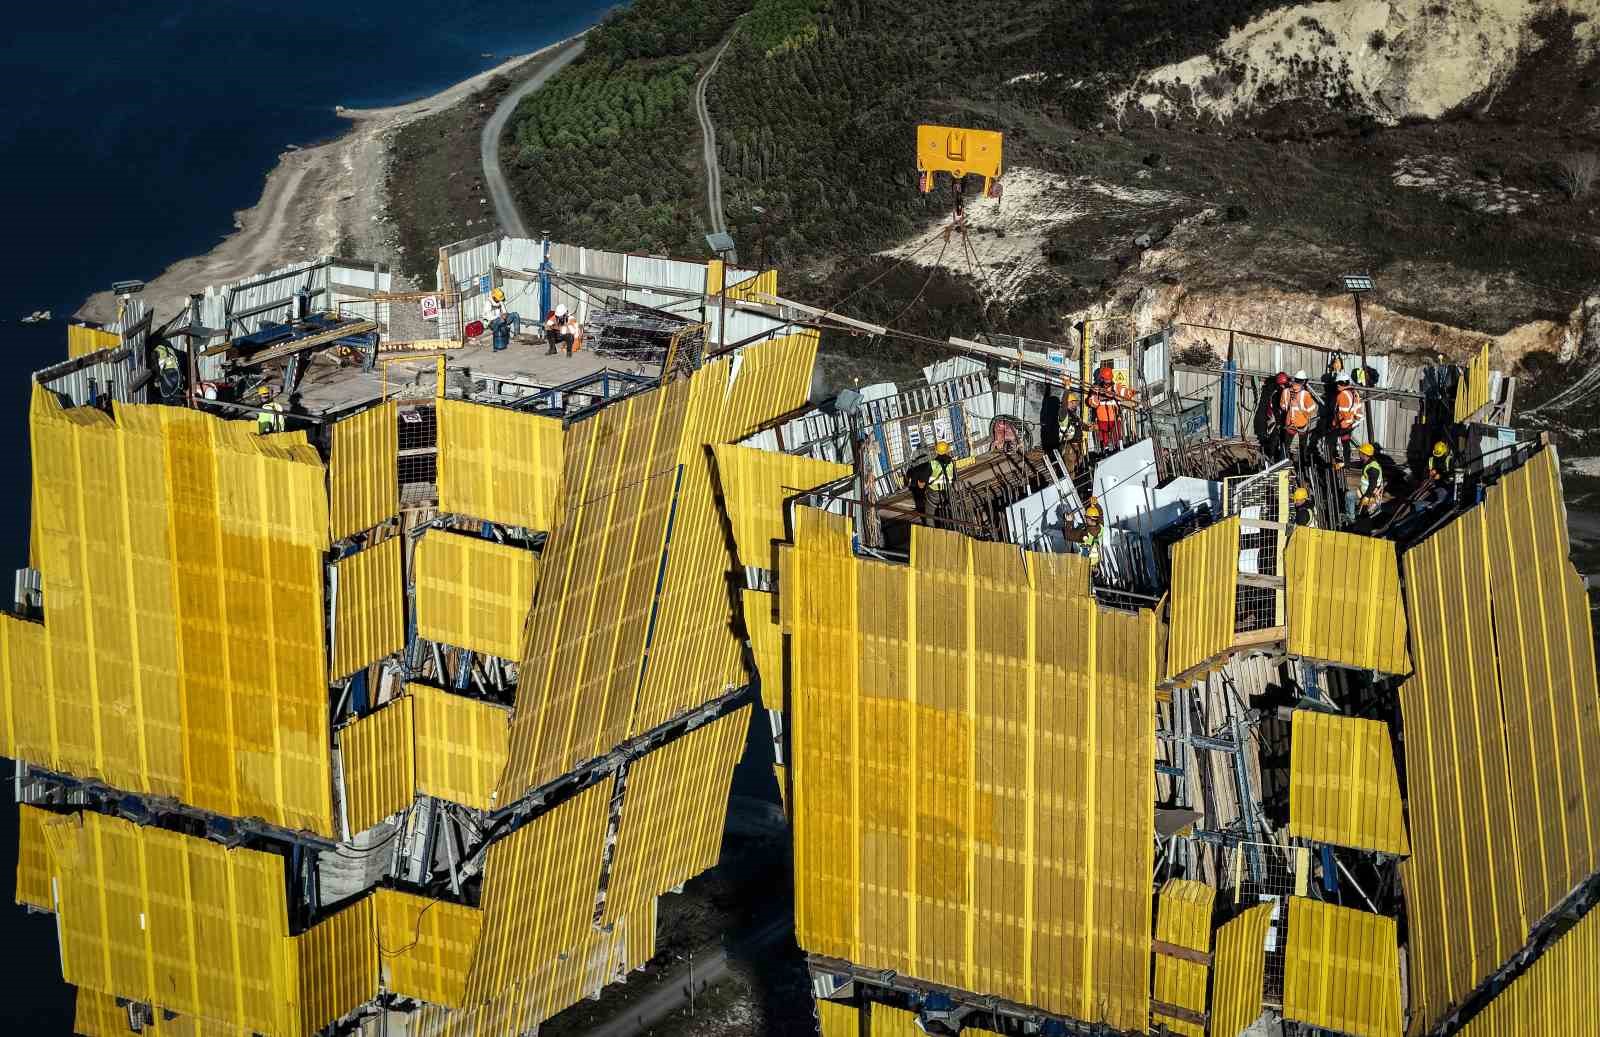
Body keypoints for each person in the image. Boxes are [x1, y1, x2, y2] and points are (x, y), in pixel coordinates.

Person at [1280, 370, 1319, 468]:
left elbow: (1283, 406)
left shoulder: (1285, 391)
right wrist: (1305, 414)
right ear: (1304, 382)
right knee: (1303, 446)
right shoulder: (1305, 394)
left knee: (1286, 446)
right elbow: (1312, 408)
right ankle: (1303, 466)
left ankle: (1282, 465)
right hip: (1302, 425)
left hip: (1290, 424)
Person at [1331, 374, 1361, 466]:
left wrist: (1334, 424)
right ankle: (1347, 463)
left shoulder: (1342, 395)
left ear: (1342, 383)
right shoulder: (1355, 393)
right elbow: (1358, 408)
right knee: (1346, 444)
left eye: (1338, 383)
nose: (1337, 386)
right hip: (1350, 424)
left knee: (1331, 441)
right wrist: (1356, 419)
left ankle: (1333, 459)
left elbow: (1341, 412)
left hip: (1342, 425)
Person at [487, 287, 519, 352]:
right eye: (498, 298)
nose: (499, 300)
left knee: (515, 315)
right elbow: (487, 317)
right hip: (492, 323)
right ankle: (496, 344)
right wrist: (499, 317)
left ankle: (516, 335)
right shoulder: (488, 303)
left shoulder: (500, 301)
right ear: (494, 296)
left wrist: (505, 314)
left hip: (502, 319)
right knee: (501, 320)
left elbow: (504, 311)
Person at [1039, 388, 1063, 457]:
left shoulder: (1045, 411)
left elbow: (1045, 400)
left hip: (1046, 437)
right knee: (1053, 454)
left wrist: (1048, 387)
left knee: (1049, 453)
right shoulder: (1054, 413)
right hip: (1052, 438)